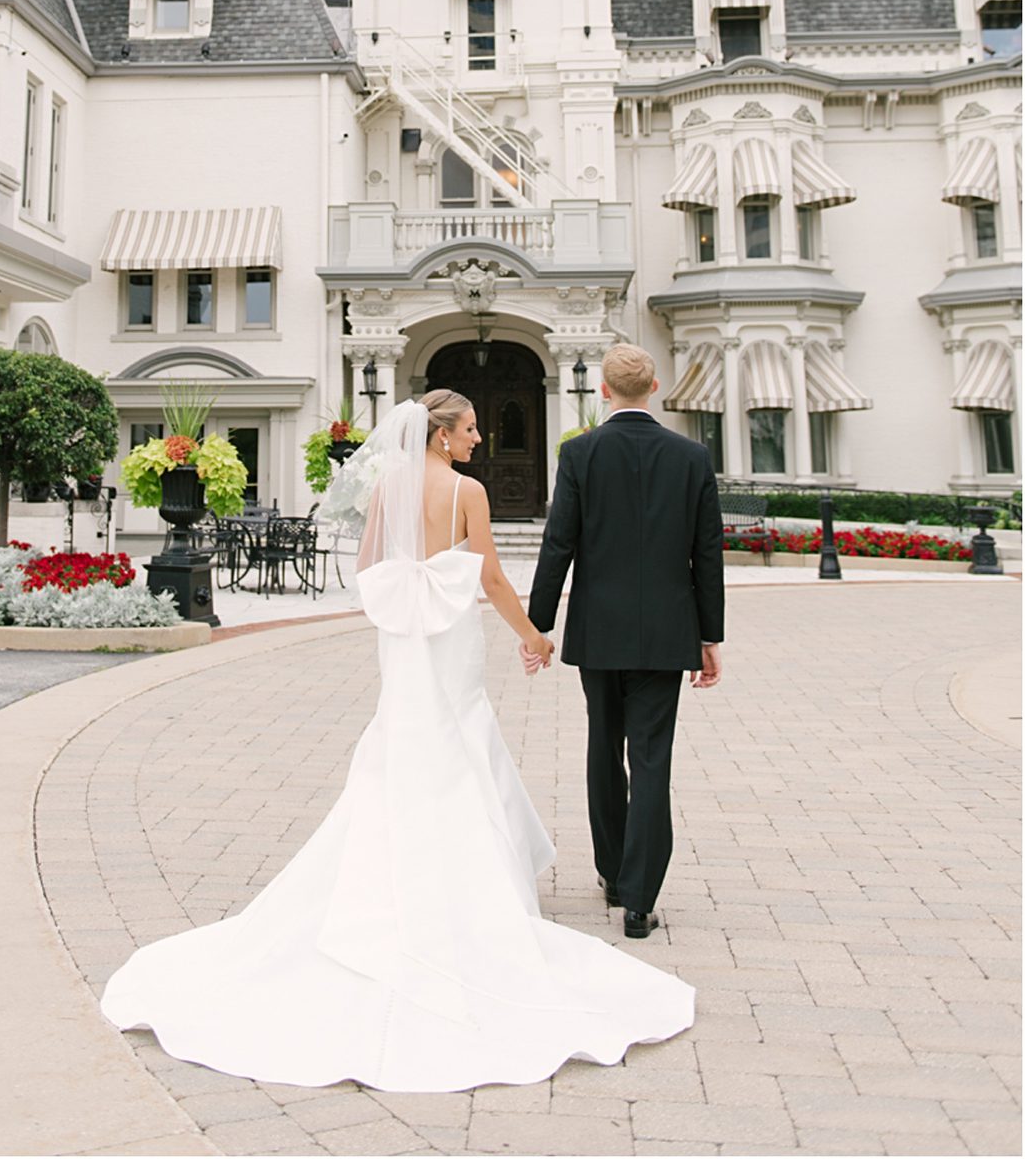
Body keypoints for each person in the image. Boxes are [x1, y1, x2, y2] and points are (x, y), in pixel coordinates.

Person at [101, 388, 694, 1092]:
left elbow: (368, 569)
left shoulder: (387, 487)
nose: (479, 438)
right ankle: (471, 896)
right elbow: (490, 575)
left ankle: (396, 878)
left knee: (407, 742)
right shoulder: (468, 492)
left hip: (406, 639)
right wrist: (533, 636)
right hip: (451, 638)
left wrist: (413, 595)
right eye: (470, 428)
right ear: (442, 435)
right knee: (460, 741)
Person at [527, 343, 725, 941]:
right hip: (668, 631)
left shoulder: (579, 453)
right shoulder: (692, 457)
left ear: (604, 390)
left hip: (599, 629)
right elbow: (707, 553)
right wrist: (710, 635)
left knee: (603, 749)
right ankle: (639, 901)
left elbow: (559, 542)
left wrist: (539, 625)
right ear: (655, 387)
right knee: (651, 758)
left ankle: (613, 874)